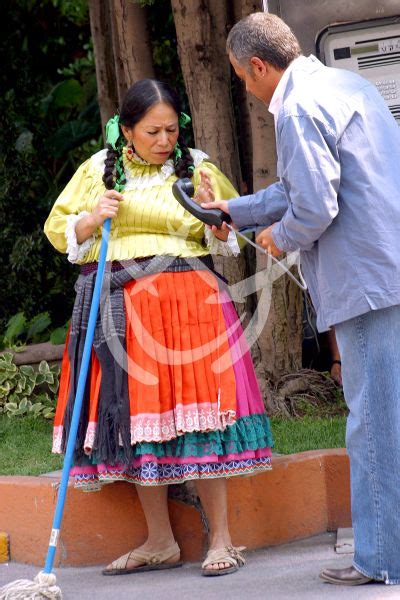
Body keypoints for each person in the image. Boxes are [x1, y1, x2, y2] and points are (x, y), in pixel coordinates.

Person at [44, 79, 273, 577]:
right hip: (122, 312)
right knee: (138, 424)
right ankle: (160, 541)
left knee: (203, 419)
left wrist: (218, 219)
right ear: (126, 130)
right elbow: (59, 229)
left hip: (191, 306)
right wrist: (89, 219)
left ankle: (223, 541)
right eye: (152, 131)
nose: (164, 140)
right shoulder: (97, 172)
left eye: (172, 129)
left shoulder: (199, 167)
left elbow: (229, 236)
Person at [203, 12, 400, 586]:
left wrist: (278, 236)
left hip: (365, 281)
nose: (247, 87)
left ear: (259, 65)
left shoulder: (295, 107)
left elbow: (312, 208)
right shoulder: (344, 84)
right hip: (386, 268)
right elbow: (297, 188)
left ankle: (382, 558)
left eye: (242, 76)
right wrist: (233, 212)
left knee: (374, 423)